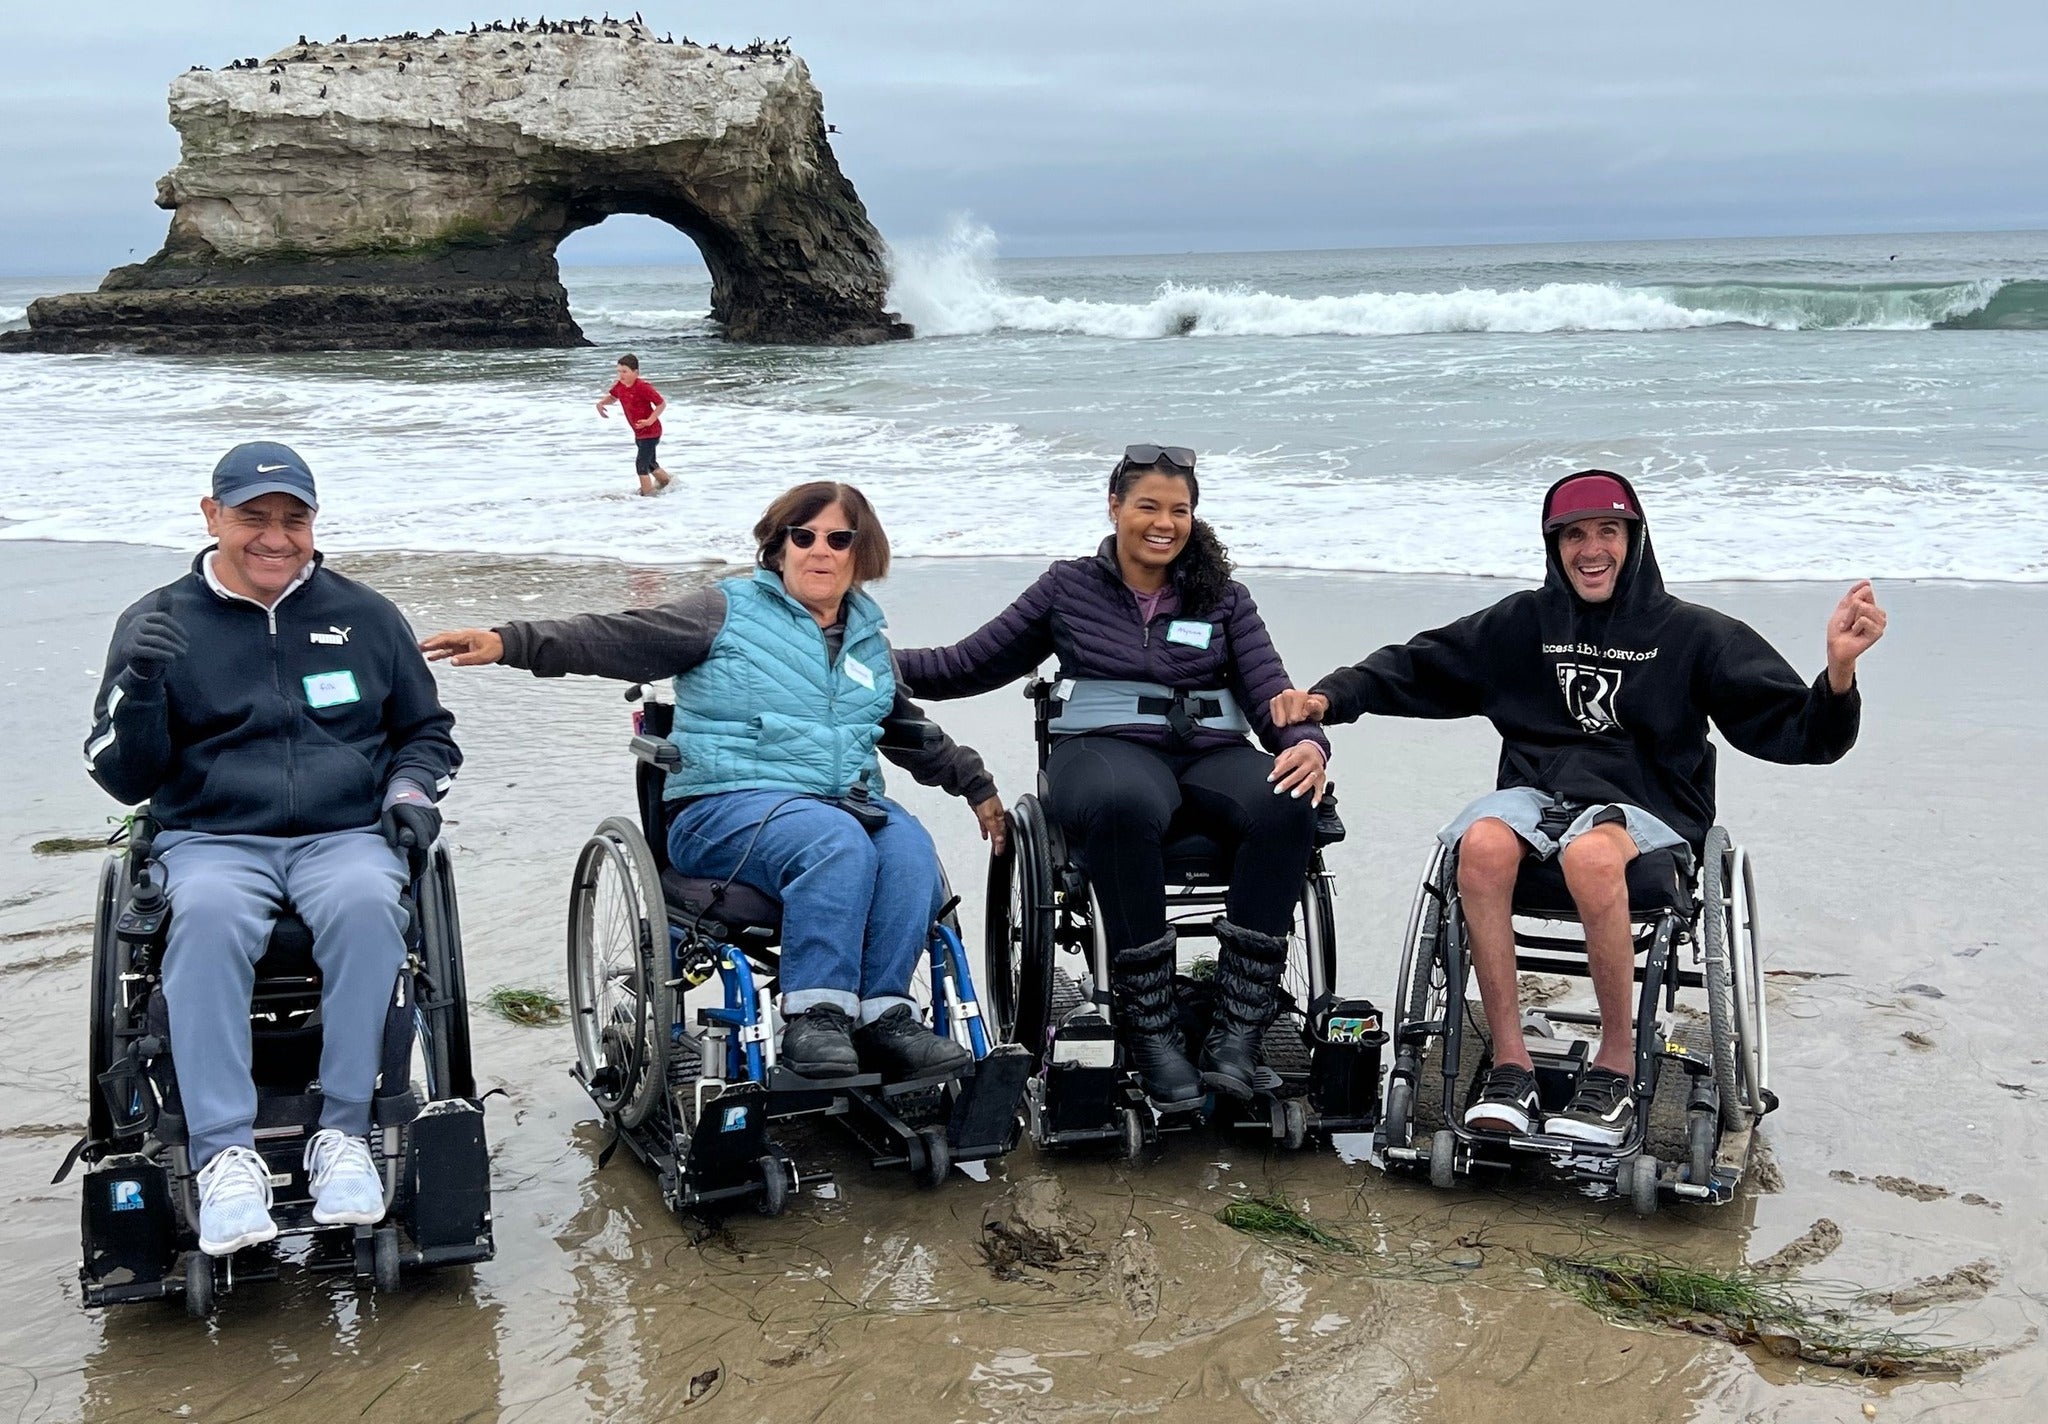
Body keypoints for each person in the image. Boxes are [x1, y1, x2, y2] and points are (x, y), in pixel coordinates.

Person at [1271, 470, 1886, 1145]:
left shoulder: (1694, 634)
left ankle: (1617, 1069)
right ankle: (1511, 1065)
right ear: (1553, 546)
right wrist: (1328, 699)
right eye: (1573, 535)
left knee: (1592, 857)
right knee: (1478, 843)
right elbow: (1418, 666)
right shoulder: (1523, 624)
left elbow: (1797, 730)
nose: (1591, 549)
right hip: (1540, 799)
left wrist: (1838, 675)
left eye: (1607, 532)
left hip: (1647, 807)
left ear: (1634, 539)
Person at [420, 481, 1006, 1081]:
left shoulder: (867, 643)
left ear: (863, 552)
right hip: (723, 810)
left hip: (839, 805)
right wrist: (510, 641)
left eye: (838, 538)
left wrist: (975, 786)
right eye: (802, 537)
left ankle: (885, 1018)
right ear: (778, 548)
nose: (819, 551)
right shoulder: (724, 611)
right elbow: (617, 638)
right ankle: (815, 1017)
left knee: (908, 848)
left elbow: (906, 728)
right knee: (836, 841)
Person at [83, 442, 461, 1256]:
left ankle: (345, 1137)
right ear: (212, 515)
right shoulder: (159, 621)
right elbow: (121, 774)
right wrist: (140, 690)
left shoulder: (364, 614)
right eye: (253, 517)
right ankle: (224, 1154)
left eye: (293, 519)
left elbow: (425, 733)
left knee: (370, 907)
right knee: (210, 918)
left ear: (314, 523)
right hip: (212, 837)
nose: (275, 537)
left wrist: (408, 796)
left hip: (344, 834)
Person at [893, 444, 1331, 1111]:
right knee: (1123, 802)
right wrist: (857, 656)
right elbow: (965, 664)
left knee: (1287, 801)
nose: (1164, 522)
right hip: (1101, 751)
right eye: (1148, 506)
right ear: (1115, 507)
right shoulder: (1068, 587)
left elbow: (1273, 690)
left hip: (1209, 752)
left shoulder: (1224, 599)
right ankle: (1150, 1031)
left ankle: (1236, 1034)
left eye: (1179, 510)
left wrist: (1306, 743)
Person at [596, 353, 670, 497]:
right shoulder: (620, 386)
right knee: (650, 464)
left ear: (636, 373)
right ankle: (668, 483)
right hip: (639, 433)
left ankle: (647, 496)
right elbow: (613, 397)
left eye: (624, 371)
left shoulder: (642, 387)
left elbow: (661, 404)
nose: (621, 375)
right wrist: (601, 403)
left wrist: (650, 420)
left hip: (651, 431)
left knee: (641, 465)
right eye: (619, 371)